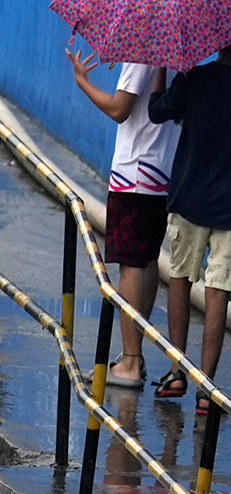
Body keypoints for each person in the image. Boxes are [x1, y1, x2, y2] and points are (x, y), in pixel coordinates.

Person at [66, 49, 178, 390]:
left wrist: (83, 82)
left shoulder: (142, 56)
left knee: (130, 264)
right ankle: (134, 356)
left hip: (133, 173)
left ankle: (129, 362)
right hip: (161, 172)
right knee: (145, 262)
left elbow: (119, 108)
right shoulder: (176, 55)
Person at [148, 45, 231, 414]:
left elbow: (156, 111)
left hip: (189, 198)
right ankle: (207, 388)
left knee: (179, 278)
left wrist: (162, 68)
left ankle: (177, 371)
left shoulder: (195, 79)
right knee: (219, 292)